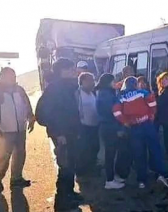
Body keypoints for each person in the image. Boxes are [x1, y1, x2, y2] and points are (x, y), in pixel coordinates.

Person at [35, 58, 83, 211]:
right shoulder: (55, 89)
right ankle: (63, 201)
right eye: (69, 69)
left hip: (71, 133)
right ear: (61, 71)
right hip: (62, 136)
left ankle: (69, 193)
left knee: (71, 165)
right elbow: (43, 114)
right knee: (65, 167)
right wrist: (58, 132)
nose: (73, 71)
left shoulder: (68, 87)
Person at [113, 77, 168, 189]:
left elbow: (116, 112)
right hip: (147, 125)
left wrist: (125, 122)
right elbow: (153, 104)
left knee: (139, 153)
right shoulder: (143, 93)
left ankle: (141, 180)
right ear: (135, 84)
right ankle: (160, 174)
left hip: (134, 128)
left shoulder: (121, 97)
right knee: (155, 149)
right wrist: (151, 115)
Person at [0, 67, 35, 192]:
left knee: (20, 154)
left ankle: (16, 179)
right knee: (3, 157)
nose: (12, 78)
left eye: (14, 76)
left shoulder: (19, 90)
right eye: (9, 76)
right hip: (5, 131)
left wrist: (31, 117)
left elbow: (27, 104)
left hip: (20, 129)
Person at [96, 74, 132, 189]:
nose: (115, 83)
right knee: (110, 154)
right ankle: (109, 180)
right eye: (113, 81)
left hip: (107, 126)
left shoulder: (104, 93)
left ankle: (112, 177)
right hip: (110, 127)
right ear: (108, 82)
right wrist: (120, 128)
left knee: (111, 153)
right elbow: (113, 113)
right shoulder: (106, 95)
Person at [75, 73, 99, 175]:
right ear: (83, 82)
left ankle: (91, 167)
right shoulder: (78, 94)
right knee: (84, 149)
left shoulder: (92, 93)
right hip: (84, 127)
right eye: (90, 81)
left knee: (95, 147)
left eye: (93, 80)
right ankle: (83, 171)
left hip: (94, 126)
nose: (93, 83)